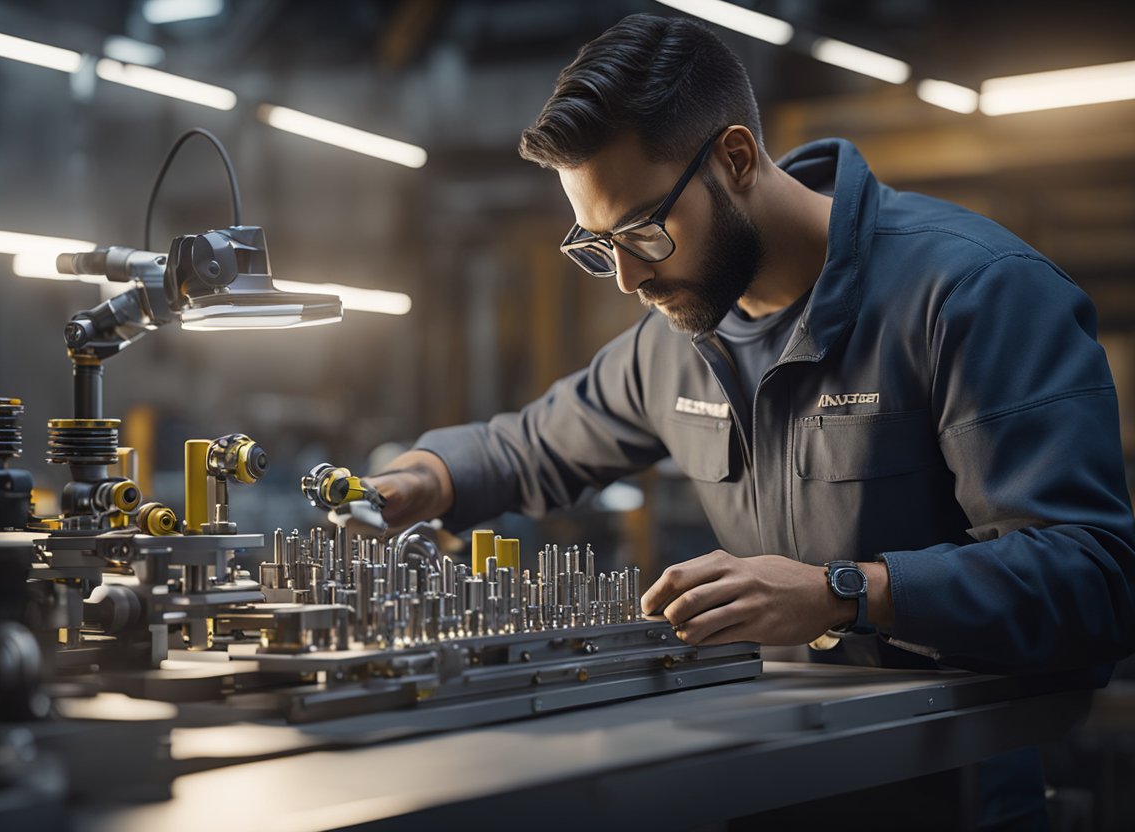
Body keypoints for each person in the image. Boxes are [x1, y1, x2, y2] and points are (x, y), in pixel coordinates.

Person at [368, 13, 1135, 828]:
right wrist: (414, 483)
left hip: (953, 799)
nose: (626, 277)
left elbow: (1092, 579)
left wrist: (845, 593)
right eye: (596, 245)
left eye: (643, 231)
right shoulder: (679, 337)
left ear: (734, 159)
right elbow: (525, 448)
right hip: (768, 790)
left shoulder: (972, 295)